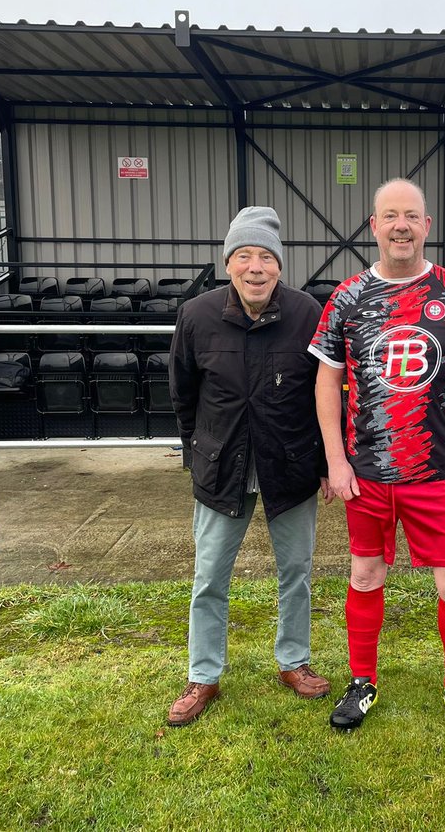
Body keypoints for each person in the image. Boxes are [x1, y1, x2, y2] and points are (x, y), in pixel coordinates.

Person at [309, 179, 445, 738]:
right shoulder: (347, 297)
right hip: (367, 473)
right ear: (373, 226)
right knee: (366, 575)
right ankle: (362, 681)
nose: (400, 226)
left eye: (411, 216)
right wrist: (336, 461)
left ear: (426, 225)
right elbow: (326, 382)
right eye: (390, 216)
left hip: (438, 473)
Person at [167, 206, 333, 727]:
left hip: (291, 467)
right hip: (221, 470)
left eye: (266, 257)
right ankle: (204, 675)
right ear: (227, 262)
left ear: (280, 266)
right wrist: (197, 452)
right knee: (210, 577)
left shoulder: (309, 313)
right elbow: (182, 393)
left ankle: (293, 661)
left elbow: (327, 394)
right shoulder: (196, 315)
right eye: (244, 256)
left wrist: (328, 464)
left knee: (297, 573)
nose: (255, 267)